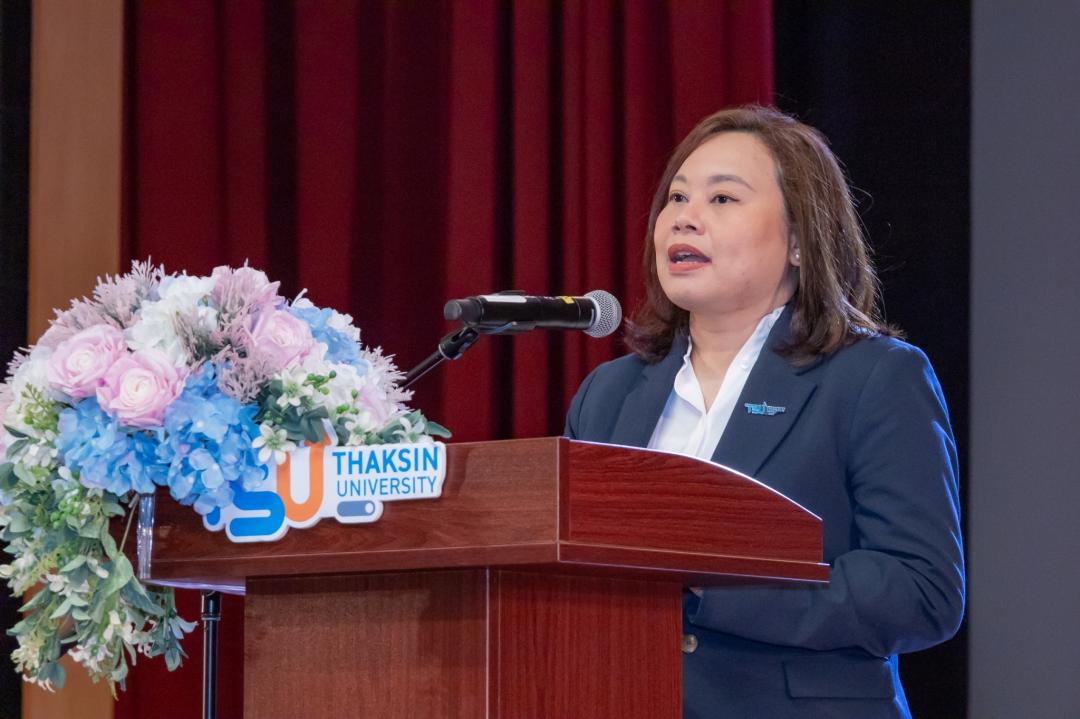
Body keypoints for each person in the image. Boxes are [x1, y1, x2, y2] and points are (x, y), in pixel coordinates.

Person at [564, 106, 964, 718]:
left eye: (723, 198)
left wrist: (711, 585)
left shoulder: (873, 376)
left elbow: (922, 590)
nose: (684, 217)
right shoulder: (609, 393)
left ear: (800, 241)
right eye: (676, 197)